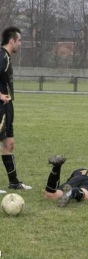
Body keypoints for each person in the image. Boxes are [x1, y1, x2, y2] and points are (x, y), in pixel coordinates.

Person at [0, 27, 32, 194]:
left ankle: (13, 183)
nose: (20, 43)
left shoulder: (7, 57)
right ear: (11, 41)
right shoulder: (1, 56)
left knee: (9, 144)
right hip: (0, 106)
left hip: (8, 107)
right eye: (19, 40)